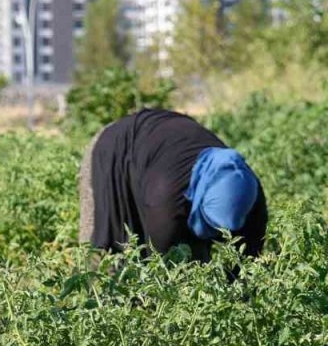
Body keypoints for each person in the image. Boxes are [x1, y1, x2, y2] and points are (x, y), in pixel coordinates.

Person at [79, 108, 267, 261]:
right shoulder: (165, 201)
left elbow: (250, 258)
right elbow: (158, 269)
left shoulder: (249, 191)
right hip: (113, 149)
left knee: (195, 260)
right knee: (102, 256)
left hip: (164, 149)